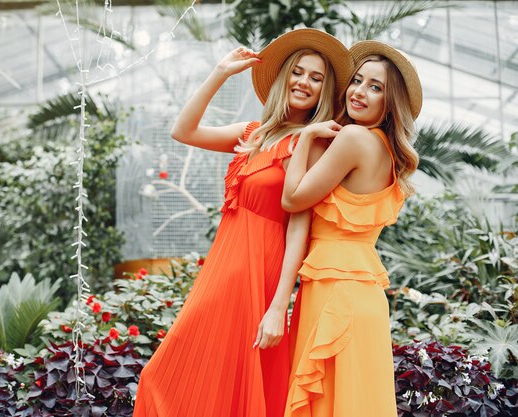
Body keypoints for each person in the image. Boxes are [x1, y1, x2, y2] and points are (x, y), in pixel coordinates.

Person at [132, 29, 352, 417]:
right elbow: (182, 131)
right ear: (285, 77)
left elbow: (299, 226)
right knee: (173, 374)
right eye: (298, 72)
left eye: (316, 78)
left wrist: (278, 306)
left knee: (234, 378)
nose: (304, 82)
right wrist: (219, 72)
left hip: (260, 271)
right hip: (224, 266)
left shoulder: (314, 143)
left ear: (324, 91)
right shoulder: (254, 133)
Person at [279, 40, 422, 417]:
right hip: (357, 294)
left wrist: (307, 136)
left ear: (389, 103)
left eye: (375, 87)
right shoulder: (385, 149)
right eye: (357, 81)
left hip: (335, 294)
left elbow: (293, 199)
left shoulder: (354, 138)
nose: (359, 92)